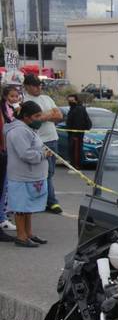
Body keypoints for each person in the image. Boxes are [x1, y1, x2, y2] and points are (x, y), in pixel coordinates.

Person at [4, 101, 51, 248]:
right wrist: (43, 155)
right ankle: (21, 236)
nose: (40, 119)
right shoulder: (18, 131)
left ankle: (28, 233)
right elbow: (25, 154)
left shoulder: (28, 128)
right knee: (20, 208)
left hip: (31, 176)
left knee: (27, 208)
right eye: (36, 116)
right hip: (21, 176)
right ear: (26, 116)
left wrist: (42, 152)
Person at [23, 75, 63, 214]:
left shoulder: (47, 98)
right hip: (37, 141)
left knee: (50, 172)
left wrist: (42, 116)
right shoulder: (24, 101)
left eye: (39, 85)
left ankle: (47, 200)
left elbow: (59, 116)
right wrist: (48, 115)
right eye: (35, 85)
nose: (38, 88)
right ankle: (50, 201)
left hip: (52, 139)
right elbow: (31, 121)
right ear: (27, 86)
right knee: (40, 173)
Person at [0, 85, 22, 239]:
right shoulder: (4, 109)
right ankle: (2, 218)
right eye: (11, 96)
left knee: (4, 187)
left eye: (16, 96)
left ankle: (2, 217)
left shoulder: (12, 109)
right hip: (4, 150)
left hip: (5, 151)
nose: (14, 99)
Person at [65, 94, 92, 169]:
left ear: (76, 100)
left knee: (76, 151)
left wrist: (75, 134)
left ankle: (76, 167)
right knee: (72, 150)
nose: (70, 102)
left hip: (76, 135)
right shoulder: (72, 109)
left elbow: (79, 122)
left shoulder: (78, 109)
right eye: (69, 101)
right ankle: (74, 165)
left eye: (72, 100)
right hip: (72, 133)